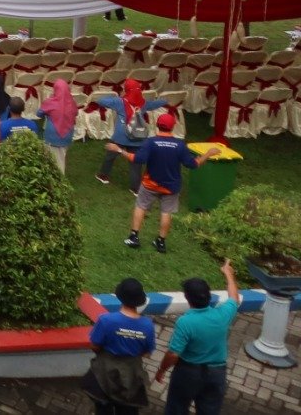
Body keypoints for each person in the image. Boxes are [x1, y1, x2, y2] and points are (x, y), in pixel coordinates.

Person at [110, 114, 221, 253]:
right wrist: (208, 153)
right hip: (171, 187)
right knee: (166, 212)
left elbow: (137, 159)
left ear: (157, 125)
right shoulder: (180, 145)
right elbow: (193, 164)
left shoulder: (150, 142)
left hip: (150, 184)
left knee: (140, 206)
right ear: (173, 126)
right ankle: (161, 242)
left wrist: (119, 150)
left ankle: (134, 237)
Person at [158, 259, 239, 415]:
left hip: (188, 373)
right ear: (209, 296)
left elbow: (173, 353)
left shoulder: (186, 322)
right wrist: (228, 274)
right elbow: (234, 298)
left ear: (188, 299)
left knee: (176, 409)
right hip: (217, 373)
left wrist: (161, 370)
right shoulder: (222, 314)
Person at [84, 277, 154, 415]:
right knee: (128, 408)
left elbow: (94, 345)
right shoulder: (147, 325)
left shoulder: (106, 320)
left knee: (103, 407)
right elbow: (147, 352)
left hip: (105, 371)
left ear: (120, 296)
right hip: (131, 374)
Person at [94, 78, 168, 190]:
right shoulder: (144, 103)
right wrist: (166, 100)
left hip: (120, 137)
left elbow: (100, 101)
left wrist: (118, 97)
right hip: (138, 136)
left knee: (110, 157)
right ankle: (135, 188)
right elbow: (156, 104)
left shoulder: (119, 102)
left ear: (126, 90)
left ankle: (103, 176)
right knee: (136, 163)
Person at [39, 78, 80, 173]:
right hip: (67, 135)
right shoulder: (72, 103)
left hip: (52, 136)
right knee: (61, 156)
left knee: (56, 162)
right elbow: (76, 113)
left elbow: (39, 114)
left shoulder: (51, 102)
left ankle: (59, 182)